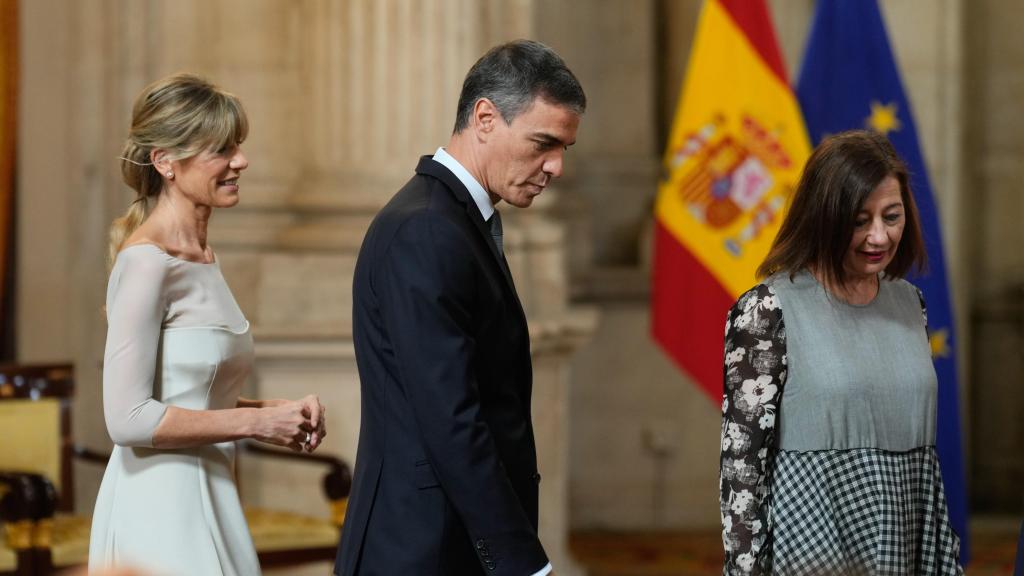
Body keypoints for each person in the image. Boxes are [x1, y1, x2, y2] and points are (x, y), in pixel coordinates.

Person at [334, 39, 585, 576]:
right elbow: (451, 416)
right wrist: (521, 560)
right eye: (544, 142)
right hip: (424, 547)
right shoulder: (427, 228)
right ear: (486, 117)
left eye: (564, 148)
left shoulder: (449, 221)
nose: (556, 166)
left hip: (444, 539)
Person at [88, 73, 327, 575]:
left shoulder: (202, 256)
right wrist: (257, 422)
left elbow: (188, 393)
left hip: (212, 494)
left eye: (237, 146)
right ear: (165, 162)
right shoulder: (146, 263)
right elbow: (126, 418)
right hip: (158, 510)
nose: (240, 161)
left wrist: (274, 413)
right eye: (220, 149)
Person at [719, 129, 963, 575]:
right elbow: (742, 468)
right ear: (824, 217)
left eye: (892, 216)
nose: (878, 236)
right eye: (858, 220)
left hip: (905, 542)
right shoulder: (766, 311)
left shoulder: (911, 303)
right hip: (814, 550)